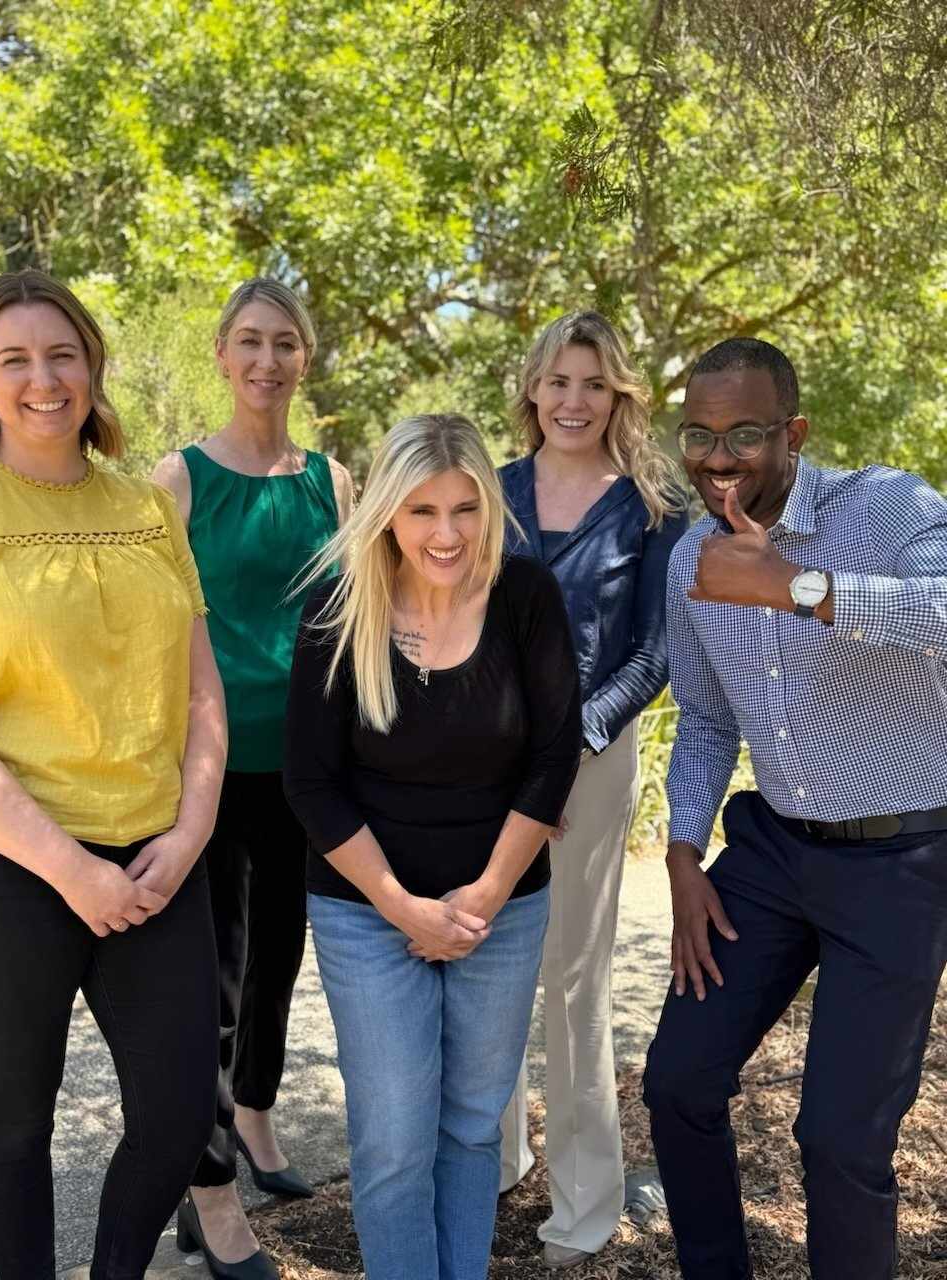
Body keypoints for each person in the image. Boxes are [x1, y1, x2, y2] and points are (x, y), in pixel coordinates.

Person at [643, 337, 947, 1280]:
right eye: (699, 433)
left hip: (903, 860)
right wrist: (683, 854)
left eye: (744, 434)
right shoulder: (692, 557)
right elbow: (702, 720)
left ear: (795, 433)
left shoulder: (889, 504)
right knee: (678, 1082)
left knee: (838, 1140)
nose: (718, 457)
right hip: (771, 856)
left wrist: (794, 588)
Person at [283, 413, 583, 1280]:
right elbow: (310, 782)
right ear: (386, 513)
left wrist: (483, 897)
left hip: (502, 909)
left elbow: (553, 755)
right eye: (421, 511)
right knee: (392, 1140)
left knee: (471, 1125)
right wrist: (403, 908)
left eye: (464, 509)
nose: (445, 534)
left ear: (490, 508)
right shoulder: (339, 607)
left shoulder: (525, 595)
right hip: (366, 913)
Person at [0, 270, 224, 1280]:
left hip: (161, 855)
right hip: (16, 862)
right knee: (7, 1128)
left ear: (91, 366)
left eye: (62, 353)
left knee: (176, 1118)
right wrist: (70, 867)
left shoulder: (145, 503)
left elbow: (201, 689)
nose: (43, 378)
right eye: (14, 358)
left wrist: (191, 827)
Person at [153, 278, 352, 1279]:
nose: (267, 359)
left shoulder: (335, 481)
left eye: (285, 342)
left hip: (308, 766)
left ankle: (256, 1120)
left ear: (303, 360)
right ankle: (206, 1182)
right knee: (215, 984)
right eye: (249, 342)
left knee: (281, 956)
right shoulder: (176, 481)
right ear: (223, 356)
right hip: (209, 767)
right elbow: (145, 634)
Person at [498, 311, 687, 1269]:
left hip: (593, 755)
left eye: (594, 384)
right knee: (483, 953)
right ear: (531, 391)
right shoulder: (487, 495)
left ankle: (584, 1202)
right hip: (485, 752)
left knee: (574, 976)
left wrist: (577, 736)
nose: (574, 401)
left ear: (619, 396)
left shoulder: (654, 507)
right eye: (558, 382)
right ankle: (490, 1161)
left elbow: (655, 653)